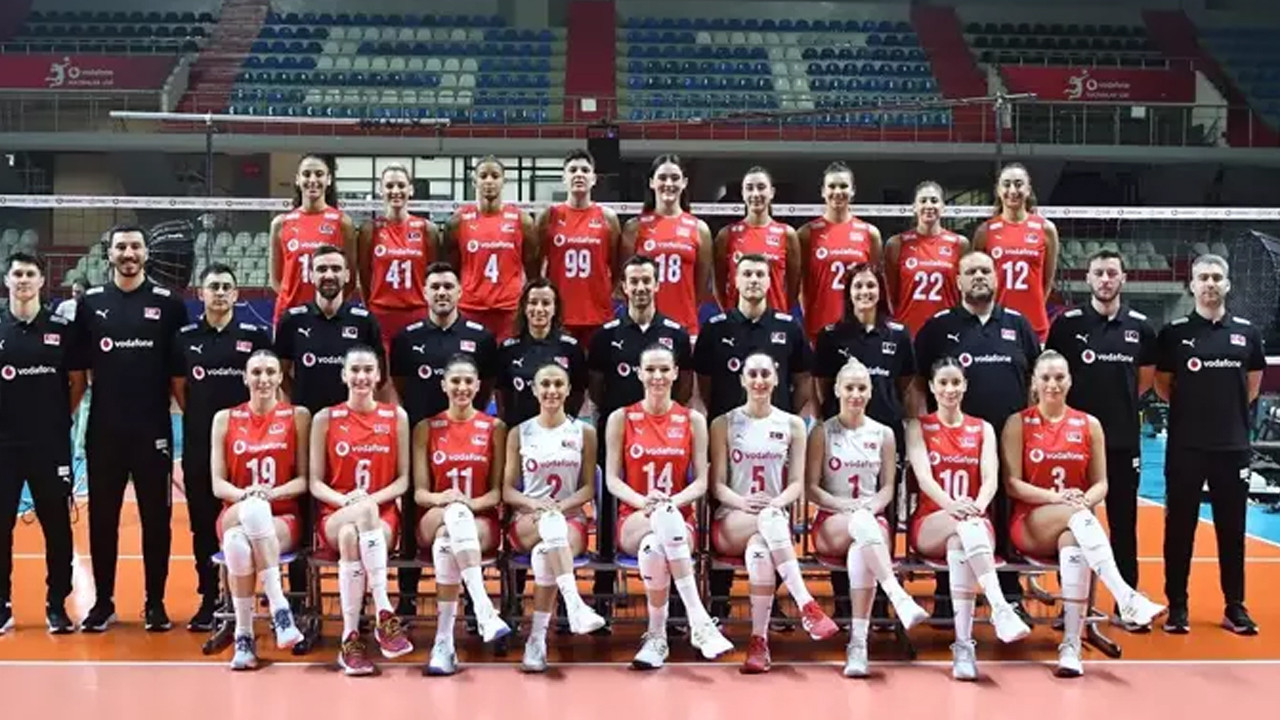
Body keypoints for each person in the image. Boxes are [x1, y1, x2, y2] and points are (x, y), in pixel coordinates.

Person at [1004, 351, 1165, 677]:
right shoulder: (1018, 422)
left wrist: (1083, 501)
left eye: (1059, 377)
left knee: (1075, 544)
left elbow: (1101, 483)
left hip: (1074, 522)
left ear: (1070, 381)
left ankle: (1071, 646)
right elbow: (1012, 484)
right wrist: (1058, 499)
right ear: (1034, 383)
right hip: (1030, 523)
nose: (1052, 384)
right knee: (1077, 518)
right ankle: (1125, 596)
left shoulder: (1089, 424)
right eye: (1046, 378)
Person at [73, 224, 189, 633]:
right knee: (102, 520)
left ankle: (155, 603)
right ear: (109, 253)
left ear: (146, 253)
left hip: (152, 428)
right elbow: (80, 371)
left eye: (135, 246)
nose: (128, 253)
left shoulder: (169, 305)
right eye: (121, 247)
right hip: (105, 429)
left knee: (156, 519)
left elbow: (178, 375)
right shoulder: (90, 304)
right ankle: (103, 602)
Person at [913, 250, 1041, 609]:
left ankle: (1009, 592)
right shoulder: (939, 327)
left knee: (1005, 509)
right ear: (958, 281)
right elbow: (918, 383)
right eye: (971, 272)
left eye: (985, 270)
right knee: (954, 509)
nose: (979, 276)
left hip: (1008, 438)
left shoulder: (1018, 325)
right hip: (954, 441)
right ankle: (947, 594)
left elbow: (1035, 381)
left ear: (997, 277)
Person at [1045, 249, 1156, 632]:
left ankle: (1128, 604)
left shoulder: (1141, 327)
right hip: (1074, 444)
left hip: (1122, 441)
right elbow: (1052, 375)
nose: (1105, 279)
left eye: (1112, 273)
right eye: (1099, 273)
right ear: (1087, 279)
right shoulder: (1067, 325)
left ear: (1123, 278)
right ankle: (1071, 606)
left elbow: (1144, 381)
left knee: (1124, 525)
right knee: (1074, 526)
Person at [1154, 253, 1264, 635]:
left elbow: (1252, 386)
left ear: (1227, 284)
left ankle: (1235, 606)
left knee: (1232, 530)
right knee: (1179, 529)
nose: (1211, 284)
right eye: (1203, 277)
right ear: (1192, 285)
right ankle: (1177, 606)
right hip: (1186, 447)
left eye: (1217, 277)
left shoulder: (1247, 333)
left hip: (1232, 448)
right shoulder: (1174, 333)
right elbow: (1163, 385)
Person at [902, 357, 1030, 681]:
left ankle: (963, 647)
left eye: (956, 382)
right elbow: (924, 477)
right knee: (965, 530)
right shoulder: (919, 427)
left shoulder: (982, 428)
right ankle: (999, 606)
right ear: (932, 387)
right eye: (943, 383)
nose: (950, 389)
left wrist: (977, 506)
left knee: (961, 544)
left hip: (973, 522)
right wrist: (951, 506)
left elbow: (990, 479)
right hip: (932, 522)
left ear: (965, 386)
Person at [605, 344, 733, 669]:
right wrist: (643, 503)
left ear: (676, 373)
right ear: (638, 373)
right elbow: (612, 480)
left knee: (654, 548)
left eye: (664, 369)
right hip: (634, 518)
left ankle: (656, 637)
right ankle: (699, 620)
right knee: (653, 532)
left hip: (679, 520)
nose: (657, 376)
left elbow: (701, 481)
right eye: (650, 369)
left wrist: (671, 503)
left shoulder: (693, 420)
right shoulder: (621, 418)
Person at [711, 352, 838, 674]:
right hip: (731, 520)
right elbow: (717, 486)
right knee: (768, 522)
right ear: (742, 380)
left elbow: (796, 484)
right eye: (752, 374)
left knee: (760, 556)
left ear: (776, 378)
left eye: (765, 374)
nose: (759, 381)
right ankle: (806, 603)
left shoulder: (793, 425)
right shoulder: (724, 423)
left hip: (770, 522)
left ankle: (759, 642)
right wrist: (743, 503)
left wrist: (776, 503)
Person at [809, 358, 931, 678]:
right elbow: (811, 488)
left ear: (870, 391)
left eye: (862, 388)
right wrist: (844, 506)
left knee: (860, 552)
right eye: (849, 387)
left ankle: (858, 645)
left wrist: (869, 507)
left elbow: (888, 488)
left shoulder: (884, 433)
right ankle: (897, 595)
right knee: (862, 528)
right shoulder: (823, 432)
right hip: (832, 521)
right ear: (837, 390)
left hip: (870, 520)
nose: (855, 394)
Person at [588, 255, 695, 619]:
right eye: (633, 281)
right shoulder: (606, 335)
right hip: (619, 431)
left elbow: (684, 386)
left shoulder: (676, 334)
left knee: (671, 507)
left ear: (657, 284)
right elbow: (597, 388)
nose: (640, 287)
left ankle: (677, 606)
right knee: (608, 512)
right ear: (623, 286)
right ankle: (603, 595)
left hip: (665, 434)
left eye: (646, 280)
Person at [390, 261, 497, 611]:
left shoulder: (481, 338)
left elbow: (485, 389)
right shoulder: (407, 338)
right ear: (424, 292)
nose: (441, 293)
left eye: (448, 286)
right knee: (414, 513)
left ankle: (471, 604)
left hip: (468, 435)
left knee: (465, 517)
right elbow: (400, 386)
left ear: (460, 292)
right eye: (435, 287)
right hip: (422, 436)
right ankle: (407, 597)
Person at [171, 263, 273, 631]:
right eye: (212, 286)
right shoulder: (184, 338)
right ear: (200, 293)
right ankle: (209, 597)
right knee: (203, 524)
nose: (219, 292)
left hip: (248, 449)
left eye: (226, 287)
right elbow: (180, 389)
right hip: (200, 446)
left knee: (255, 521)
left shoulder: (255, 336)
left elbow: (268, 388)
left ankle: (258, 596)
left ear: (236, 294)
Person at [309, 346, 413, 675]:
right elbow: (315, 482)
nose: (361, 377)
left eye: (368, 370)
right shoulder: (325, 418)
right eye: (355, 370)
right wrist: (349, 503)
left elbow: (403, 480)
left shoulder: (396, 417)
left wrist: (369, 502)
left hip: (382, 516)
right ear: (344, 375)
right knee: (353, 521)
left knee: (350, 537)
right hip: (335, 511)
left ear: (379, 375)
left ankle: (350, 638)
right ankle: (384, 610)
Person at [0, 252, 85, 634]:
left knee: (57, 527)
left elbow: (77, 383)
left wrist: (56, 420)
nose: (22, 280)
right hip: (4, 446)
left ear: (40, 280)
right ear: (7, 281)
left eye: (29, 273)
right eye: (16, 274)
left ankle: (56, 605)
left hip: (49, 445)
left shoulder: (60, 329)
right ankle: (2, 605)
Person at [502, 362, 606, 672]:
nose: (552, 390)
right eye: (545, 384)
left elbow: (588, 487)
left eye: (558, 384)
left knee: (545, 553)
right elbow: (507, 490)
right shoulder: (519, 432)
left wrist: (560, 507)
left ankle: (536, 642)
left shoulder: (584, 432)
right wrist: (535, 504)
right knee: (548, 528)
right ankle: (573, 604)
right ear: (534, 390)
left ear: (569, 390)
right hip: (528, 520)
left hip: (569, 518)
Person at [208, 350, 308, 670]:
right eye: (256, 373)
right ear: (245, 378)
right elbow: (218, 484)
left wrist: (268, 494)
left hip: (282, 516)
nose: (263, 379)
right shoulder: (225, 418)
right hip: (234, 511)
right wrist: (247, 496)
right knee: (250, 511)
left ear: (280, 377)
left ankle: (244, 637)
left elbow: (304, 479)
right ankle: (279, 608)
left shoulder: (297, 416)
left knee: (238, 543)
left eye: (270, 372)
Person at [414, 356, 511, 675]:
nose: (462, 387)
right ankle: (483, 607)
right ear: (444, 385)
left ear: (479, 386)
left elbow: (496, 493)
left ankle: (444, 642)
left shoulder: (494, 428)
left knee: (447, 540)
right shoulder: (426, 428)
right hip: (434, 516)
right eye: (455, 380)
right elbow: (420, 494)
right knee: (451, 517)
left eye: (468, 381)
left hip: (479, 519)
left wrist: (467, 504)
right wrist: (444, 499)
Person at [695, 254, 810, 422]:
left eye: (760, 275)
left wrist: (784, 415)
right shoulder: (714, 328)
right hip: (727, 426)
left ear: (769, 282)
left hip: (775, 427)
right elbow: (704, 385)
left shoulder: (790, 328)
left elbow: (803, 382)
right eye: (747, 274)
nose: (754, 280)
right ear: (736, 281)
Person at [275, 245, 383, 415]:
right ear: (311, 275)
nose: (329, 275)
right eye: (322, 269)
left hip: (351, 418)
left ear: (347, 276)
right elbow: (280, 372)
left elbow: (379, 375)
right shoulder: (292, 320)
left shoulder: (365, 321)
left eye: (336, 269)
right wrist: (298, 398)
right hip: (308, 417)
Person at [441, 156, 538, 343]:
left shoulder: (522, 221)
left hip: (510, 310)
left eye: (495, 176)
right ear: (474, 181)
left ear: (504, 181)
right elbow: (451, 268)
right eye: (483, 176)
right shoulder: (457, 222)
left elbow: (532, 266)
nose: (489, 181)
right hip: (470, 308)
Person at [536, 149, 622, 348]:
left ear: (594, 179)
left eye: (585, 170)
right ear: (564, 177)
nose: (579, 174)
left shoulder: (608, 218)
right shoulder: (549, 216)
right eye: (573, 170)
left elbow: (616, 265)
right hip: (559, 314)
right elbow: (535, 263)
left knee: (597, 367)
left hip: (597, 313)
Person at [620, 155, 713, 339]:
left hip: (684, 325)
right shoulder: (634, 227)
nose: (668, 183)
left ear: (684, 183)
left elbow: (700, 287)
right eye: (662, 178)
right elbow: (624, 280)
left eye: (675, 178)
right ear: (651, 183)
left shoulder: (699, 229)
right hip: (643, 325)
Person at [356, 163, 435, 363]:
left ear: (411, 189)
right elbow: (364, 274)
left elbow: (434, 274)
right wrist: (372, 305)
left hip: (417, 313)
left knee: (417, 375)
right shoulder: (370, 230)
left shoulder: (427, 229)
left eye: (401, 185)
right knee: (382, 376)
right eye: (389, 186)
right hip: (381, 314)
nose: (395, 191)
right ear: (380, 190)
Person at [973, 163, 1059, 342]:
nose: (1012, 190)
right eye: (1006, 184)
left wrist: (1033, 306)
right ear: (998, 190)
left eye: (1019, 184)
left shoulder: (1046, 229)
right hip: (995, 323)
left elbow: (1047, 280)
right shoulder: (985, 231)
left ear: (1028, 189)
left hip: (1034, 324)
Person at [269, 153, 357, 327]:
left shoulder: (342, 223)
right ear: (297, 179)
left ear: (328, 180)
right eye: (306, 174)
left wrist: (328, 304)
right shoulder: (281, 223)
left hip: (328, 315)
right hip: (290, 314)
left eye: (319, 174)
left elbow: (350, 278)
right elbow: (276, 280)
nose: (312, 180)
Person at [799, 162, 883, 343]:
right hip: (819, 327)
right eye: (832, 186)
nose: (838, 192)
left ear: (853, 191)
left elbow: (875, 282)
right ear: (823, 191)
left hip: (859, 329)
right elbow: (799, 283)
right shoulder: (807, 233)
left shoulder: (870, 233)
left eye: (844, 186)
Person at [495, 279, 587, 428]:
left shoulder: (571, 348)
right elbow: (501, 394)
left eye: (546, 303)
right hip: (519, 430)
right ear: (524, 307)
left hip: (559, 430)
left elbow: (578, 391)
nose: (539, 309)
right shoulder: (508, 349)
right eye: (533, 302)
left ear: (555, 308)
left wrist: (567, 421)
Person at [884, 181, 968, 338]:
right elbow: (890, 293)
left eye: (934, 201)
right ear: (914, 207)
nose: (929, 205)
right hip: (908, 330)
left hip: (947, 330)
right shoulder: (897, 244)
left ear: (943, 207)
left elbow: (964, 292)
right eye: (923, 201)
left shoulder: (959, 244)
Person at [714, 167, 799, 312]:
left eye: (761, 187)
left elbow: (794, 286)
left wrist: (780, 310)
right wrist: (730, 313)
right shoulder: (726, 235)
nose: (755, 194)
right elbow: (718, 285)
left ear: (771, 192)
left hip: (774, 318)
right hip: (738, 319)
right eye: (749, 188)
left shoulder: (787, 234)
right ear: (743, 193)